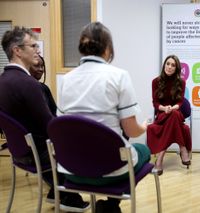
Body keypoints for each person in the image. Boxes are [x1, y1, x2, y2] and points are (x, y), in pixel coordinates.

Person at [57, 21, 149, 213]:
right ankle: (111, 205)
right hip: (111, 170)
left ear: (82, 48)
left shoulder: (65, 80)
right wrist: (145, 126)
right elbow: (131, 129)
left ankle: (109, 206)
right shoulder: (119, 76)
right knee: (142, 150)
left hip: (72, 170)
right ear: (108, 48)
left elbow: (63, 126)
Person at [0, 26, 89, 212]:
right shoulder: (29, 84)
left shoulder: (3, 81)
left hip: (20, 154)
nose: (38, 50)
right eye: (33, 46)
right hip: (40, 154)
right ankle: (84, 195)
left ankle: (61, 194)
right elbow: (51, 126)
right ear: (17, 50)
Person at [147, 54, 192, 175]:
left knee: (175, 114)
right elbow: (155, 103)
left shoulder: (181, 82)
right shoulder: (155, 81)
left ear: (176, 68)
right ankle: (183, 148)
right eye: (168, 64)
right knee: (174, 116)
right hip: (162, 115)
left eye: (173, 65)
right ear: (164, 65)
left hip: (175, 112)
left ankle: (160, 159)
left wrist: (173, 108)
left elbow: (180, 102)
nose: (170, 67)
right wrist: (164, 108)